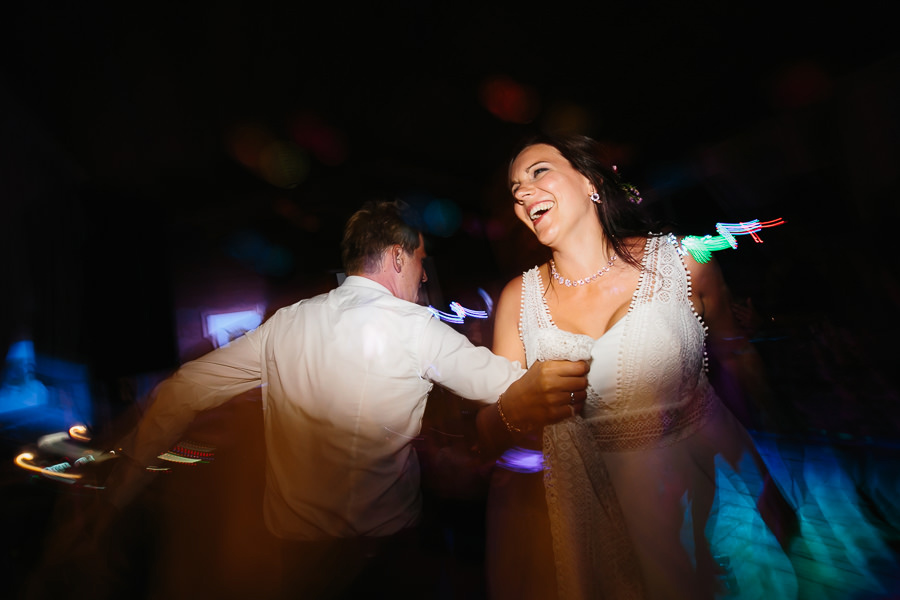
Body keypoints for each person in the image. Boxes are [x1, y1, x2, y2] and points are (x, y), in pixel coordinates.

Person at [98, 199, 589, 599]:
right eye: (420, 261)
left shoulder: (285, 325)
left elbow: (179, 393)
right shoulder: (417, 329)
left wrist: (119, 494)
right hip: (387, 562)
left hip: (294, 565)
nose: (422, 276)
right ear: (398, 257)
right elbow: (514, 387)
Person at [486, 133, 798, 600]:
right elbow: (489, 431)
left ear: (590, 181)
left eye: (538, 172)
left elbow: (732, 360)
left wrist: (768, 466)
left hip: (698, 497)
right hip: (591, 514)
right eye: (515, 189)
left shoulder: (682, 264)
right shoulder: (518, 300)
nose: (522, 192)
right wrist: (518, 403)